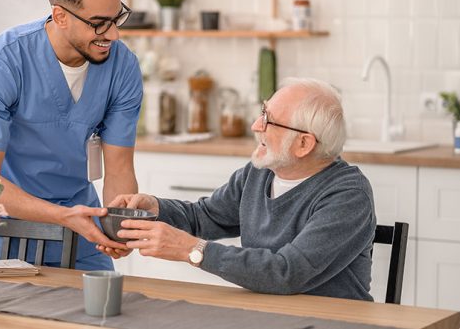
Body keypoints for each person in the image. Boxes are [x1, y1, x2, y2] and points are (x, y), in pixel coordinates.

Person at [104, 78, 377, 300]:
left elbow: (287, 272)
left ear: (304, 145)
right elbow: (205, 217)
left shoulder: (348, 195)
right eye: (262, 112)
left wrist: (192, 250)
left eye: (269, 120)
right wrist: (155, 207)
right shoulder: (258, 174)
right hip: (264, 312)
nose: (255, 126)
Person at [0, 0, 143, 270]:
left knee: (103, 317)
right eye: (99, 24)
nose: (113, 34)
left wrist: (118, 224)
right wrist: (64, 218)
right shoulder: (1, 62)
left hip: (87, 229)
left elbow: (119, 169)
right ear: (60, 16)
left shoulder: (122, 66)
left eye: (117, 18)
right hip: (13, 231)